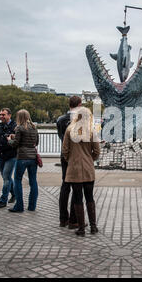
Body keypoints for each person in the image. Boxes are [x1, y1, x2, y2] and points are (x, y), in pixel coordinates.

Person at [62, 107, 100, 237]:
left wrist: (71, 160)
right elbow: (97, 151)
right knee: (90, 197)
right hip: (88, 169)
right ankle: (93, 226)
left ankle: (81, 228)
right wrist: (90, 159)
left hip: (74, 168)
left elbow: (65, 151)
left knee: (78, 198)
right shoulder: (92, 131)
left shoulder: (69, 131)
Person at [56, 96, 82, 228]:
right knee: (76, 187)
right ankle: (74, 219)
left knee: (65, 186)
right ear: (80, 104)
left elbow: (62, 138)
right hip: (76, 157)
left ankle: (63, 218)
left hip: (64, 155)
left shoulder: (60, 120)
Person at [7, 109, 39, 212]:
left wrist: (9, 140)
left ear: (19, 117)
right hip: (33, 158)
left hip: (22, 157)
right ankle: (32, 206)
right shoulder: (34, 128)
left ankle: (19, 206)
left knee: (17, 181)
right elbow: (36, 142)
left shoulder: (19, 128)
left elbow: (15, 144)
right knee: (33, 181)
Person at [0, 108, 17, 208]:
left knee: (6, 178)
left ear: (9, 115)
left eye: (3, 115)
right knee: (6, 177)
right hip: (1, 156)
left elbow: (17, 141)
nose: (1, 116)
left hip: (11, 156)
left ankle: (3, 200)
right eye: (0, 115)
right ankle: (14, 194)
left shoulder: (15, 127)